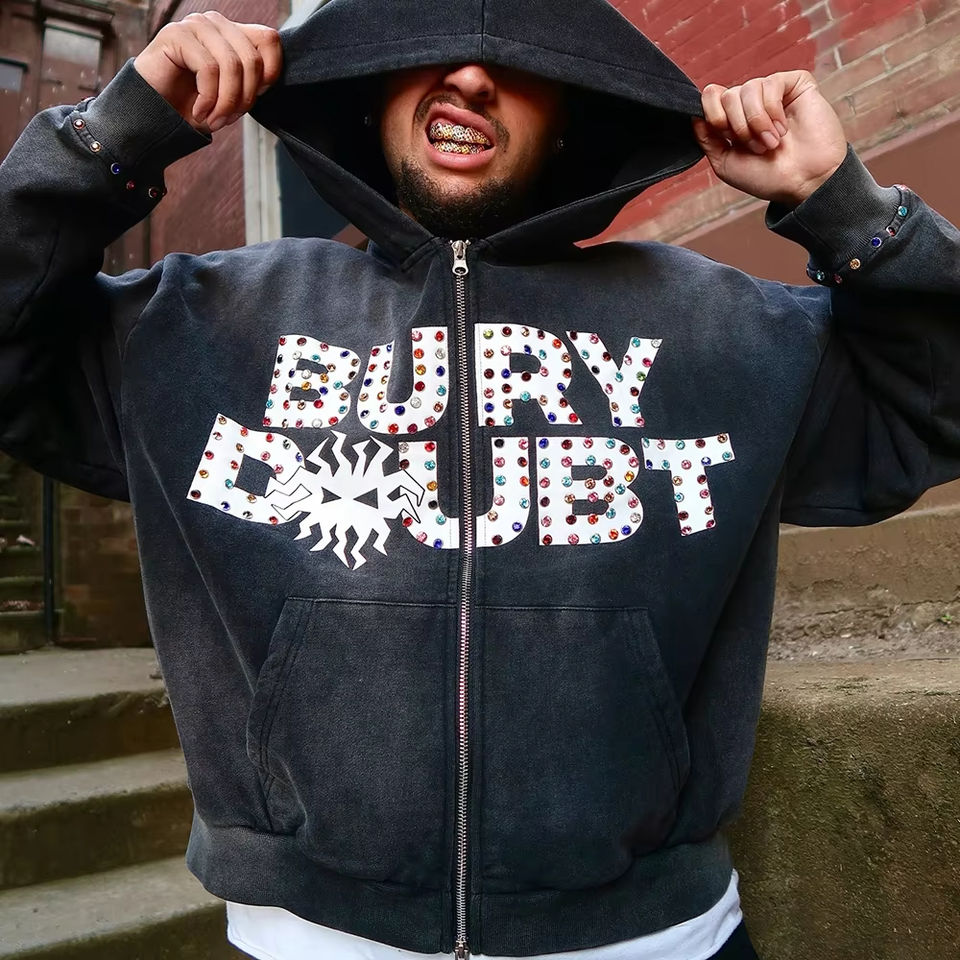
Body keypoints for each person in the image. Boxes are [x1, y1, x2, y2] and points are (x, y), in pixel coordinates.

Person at [1, 1, 958, 958]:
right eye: (429, 44)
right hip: (304, 939)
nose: (468, 77)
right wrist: (111, 138)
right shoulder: (204, 324)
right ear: (372, 88)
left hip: (654, 941)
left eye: (518, 56)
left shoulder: (719, 332)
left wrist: (842, 204)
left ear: (575, 106)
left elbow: (937, 406)